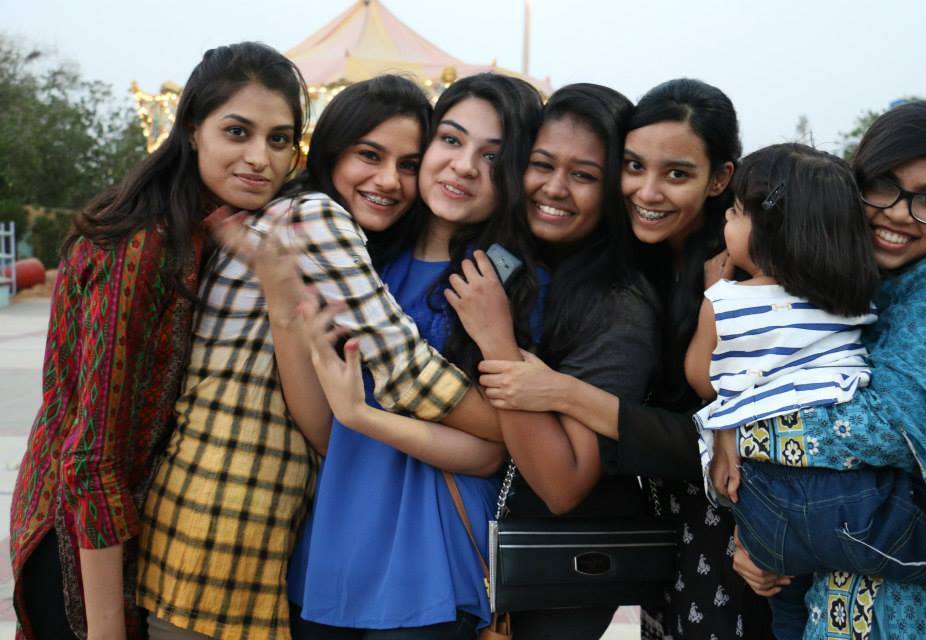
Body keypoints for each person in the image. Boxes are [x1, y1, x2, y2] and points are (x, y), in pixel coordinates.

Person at [8, 42, 308, 640]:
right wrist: (107, 630)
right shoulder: (144, 244)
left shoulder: (209, 228)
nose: (260, 158)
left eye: (279, 139)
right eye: (237, 131)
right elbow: (92, 457)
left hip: (123, 543)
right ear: (193, 129)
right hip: (79, 550)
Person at [471, 79, 775, 639]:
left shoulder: (741, 267)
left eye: (676, 174)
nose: (648, 191)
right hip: (666, 523)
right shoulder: (643, 256)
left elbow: (732, 432)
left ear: (721, 178)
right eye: (634, 166)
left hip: (735, 527)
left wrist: (565, 393)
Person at [289, 73, 544, 639]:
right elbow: (328, 427)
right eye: (451, 140)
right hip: (334, 552)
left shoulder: (504, 283)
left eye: (492, 156)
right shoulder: (363, 263)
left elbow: (490, 452)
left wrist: (365, 416)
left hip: (433, 564)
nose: (463, 165)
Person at [434, 81, 666, 640]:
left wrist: (496, 342)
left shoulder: (619, 304)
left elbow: (563, 486)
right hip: (470, 559)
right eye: (542, 164)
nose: (554, 188)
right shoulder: (508, 259)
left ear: (613, 188)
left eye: (583, 175)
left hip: (565, 582)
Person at [687, 143, 926, 639]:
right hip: (848, 495)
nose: (726, 216)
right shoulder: (853, 297)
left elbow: (703, 376)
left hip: (760, 497)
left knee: (786, 600)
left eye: (737, 211)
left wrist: (719, 292)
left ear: (768, 233)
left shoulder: (722, 301)